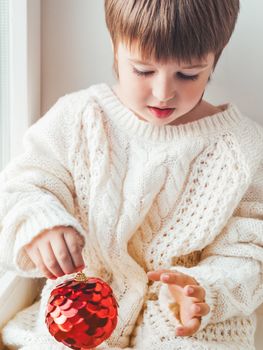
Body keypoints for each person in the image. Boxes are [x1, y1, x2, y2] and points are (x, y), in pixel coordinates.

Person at [0, 0, 263, 349]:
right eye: (143, 70)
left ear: (215, 58)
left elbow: (251, 248)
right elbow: (22, 186)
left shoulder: (242, 146)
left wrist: (204, 290)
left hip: (187, 327)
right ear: (115, 47)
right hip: (78, 313)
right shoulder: (79, 117)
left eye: (188, 75)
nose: (163, 92)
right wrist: (40, 224)